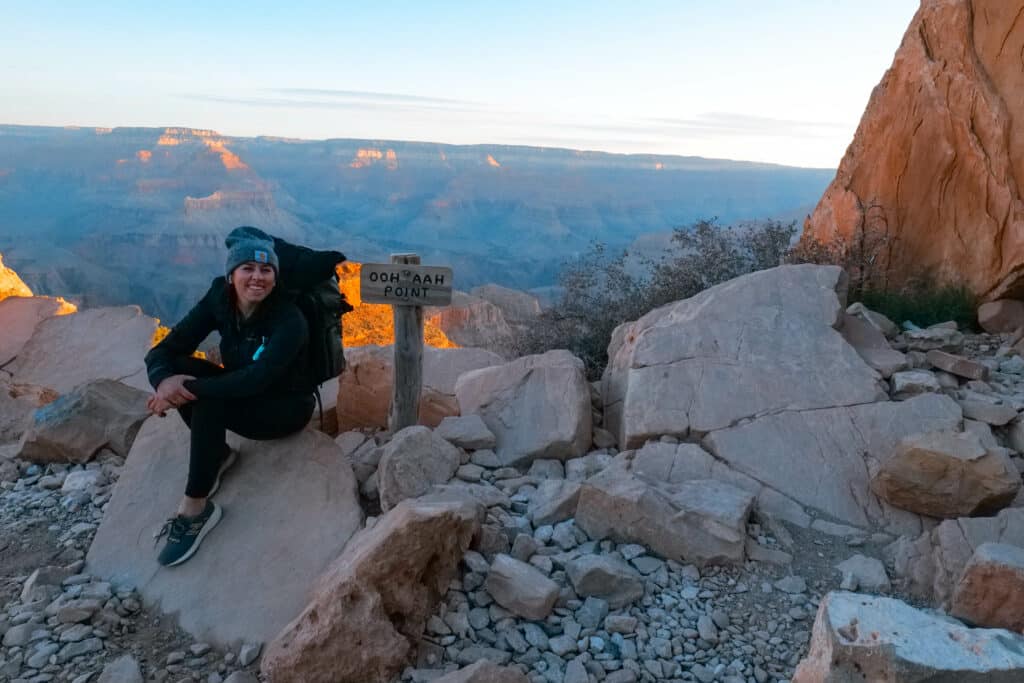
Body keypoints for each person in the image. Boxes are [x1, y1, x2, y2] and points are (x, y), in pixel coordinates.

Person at [144, 231, 344, 567]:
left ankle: (195, 510)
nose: (257, 277)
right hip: (241, 389)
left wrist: (186, 388)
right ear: (231, 275)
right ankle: (218, 456)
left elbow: (256, 379)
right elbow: (166, 349)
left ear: (276, 277)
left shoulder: (288, 320)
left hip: (284, 408)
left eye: (266, 271)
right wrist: (164, 381)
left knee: (208, 398)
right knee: (179, 368)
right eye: (247, 268)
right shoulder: (219, 299)